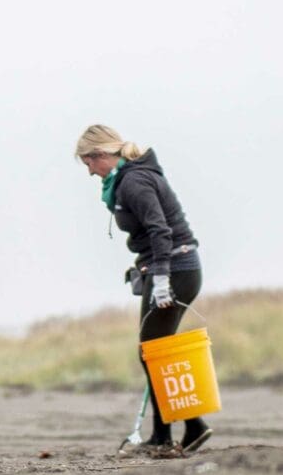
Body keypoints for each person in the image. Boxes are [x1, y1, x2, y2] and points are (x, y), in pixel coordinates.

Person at [74, 125, 210, 454]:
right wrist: (144, 268)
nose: (90, 171)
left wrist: (161, 279)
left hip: (176, 269)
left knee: (154, 354)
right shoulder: (125, 181)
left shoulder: (133, 181)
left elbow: (160, 229)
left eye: (89, 163)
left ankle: (184, 429)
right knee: (154, 353)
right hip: (167, 267)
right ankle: (176, 432)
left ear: (102, 155)